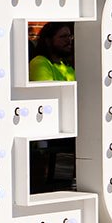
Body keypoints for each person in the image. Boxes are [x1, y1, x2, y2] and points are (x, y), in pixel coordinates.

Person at [28, 22, 75, 190]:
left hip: (69, 119)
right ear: (48, 41)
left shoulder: (66, 67)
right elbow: (46, 95)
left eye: (70, 36)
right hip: (49, 122)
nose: (68, 41)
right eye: (63, 37)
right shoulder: (40, 62)